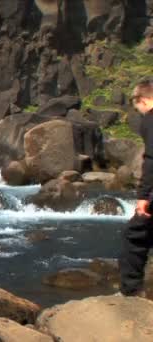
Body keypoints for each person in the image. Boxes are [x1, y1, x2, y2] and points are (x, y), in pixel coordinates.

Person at [119, 80, 153, 298]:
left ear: (142, 100)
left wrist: (143, 196)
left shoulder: (151, 118)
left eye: (137, 108)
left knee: (134, 236)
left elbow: (152, 158)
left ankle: (131, 294)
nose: (139, 113)